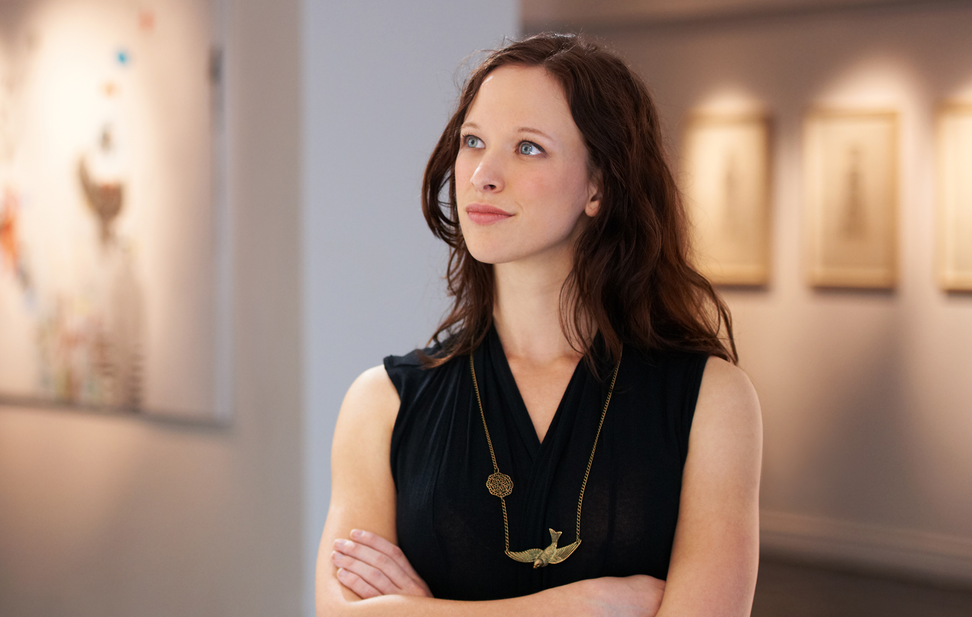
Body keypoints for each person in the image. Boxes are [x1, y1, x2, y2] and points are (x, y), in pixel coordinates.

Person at [314, 33, 762, 616]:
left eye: (528, 148)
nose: (483, 175)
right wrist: (592, 605)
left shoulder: (712, 400)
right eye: (473, 142)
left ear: (599, 185)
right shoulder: (381, 404)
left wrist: (422, 610)